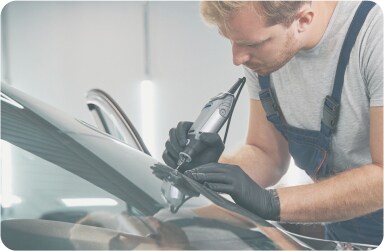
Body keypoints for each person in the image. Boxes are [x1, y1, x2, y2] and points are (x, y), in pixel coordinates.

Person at [162, 1, 383, 246]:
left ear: (303, 20)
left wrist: (272, 203)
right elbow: (267, 155)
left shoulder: (373, 38)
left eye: (252, 44)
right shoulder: (262, 57)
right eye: (232, 41)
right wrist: (207, 170)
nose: (238, 58)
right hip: (344, 227)